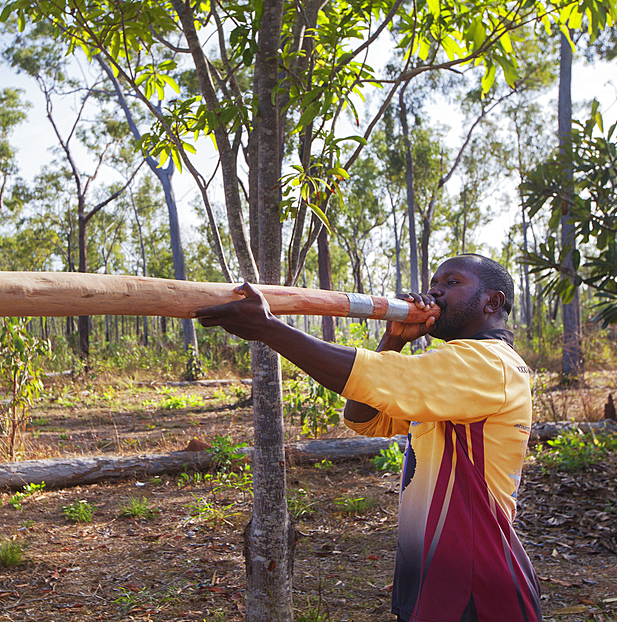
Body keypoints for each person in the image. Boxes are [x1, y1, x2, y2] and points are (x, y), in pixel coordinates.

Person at [195, 254, 540, 622]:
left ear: (493, 301)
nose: (434, 290)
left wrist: (270, 329)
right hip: (435, 571)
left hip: (474, 581)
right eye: (434, 281)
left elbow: (365, 375)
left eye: (451, 283)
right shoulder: (462, 366)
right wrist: (392, 341)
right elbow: (363, 417)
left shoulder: (490, 363)